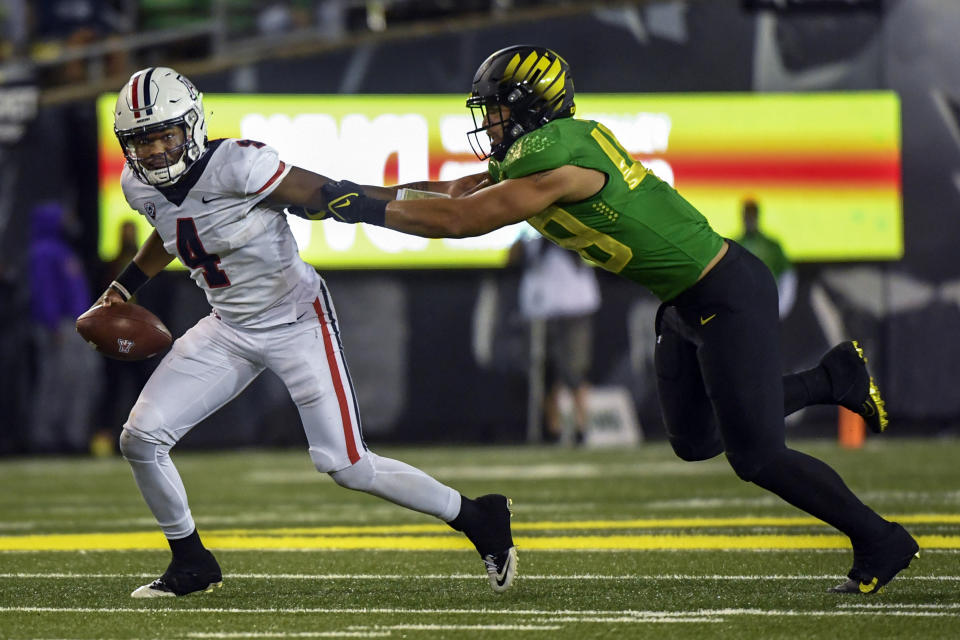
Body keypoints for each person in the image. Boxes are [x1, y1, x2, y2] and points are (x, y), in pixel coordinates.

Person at [317, 45, 917, 595]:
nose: (488, 122)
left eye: (497, 109)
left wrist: (358, 210)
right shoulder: (539, 151)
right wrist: (350, 193)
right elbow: (448, 194)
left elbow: (461, 221)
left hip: (727, 291)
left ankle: (880, 540)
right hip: (686, 303)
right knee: (696, 439)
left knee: (758, 457)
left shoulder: (553, 154)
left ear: (531, 109)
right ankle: (829, 380)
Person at [92, 66, 516, 598]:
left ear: (192, 126)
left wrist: (438, 196)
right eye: (142, 140)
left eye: (164, 134)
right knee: (141, 437)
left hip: (296, 319)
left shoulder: (239, 165)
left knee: (347, 465)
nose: (154, 150)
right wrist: (124, 287)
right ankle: (191, 562)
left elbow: (338, 195)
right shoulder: (138, 185)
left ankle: (479, 518)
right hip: (228, 326)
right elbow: (170, 230)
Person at [509, 235, 600, 444]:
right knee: (544, 371)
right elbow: (511, 258)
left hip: (574, 308)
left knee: (574, 370)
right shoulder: (529, 234)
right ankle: (552, 428)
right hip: (539, 311)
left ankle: (581, 427)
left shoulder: (573, 227)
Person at [28, 201, 102, 453]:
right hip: (60, 327)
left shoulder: (63, 250)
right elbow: (43, 292)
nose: (69, 223)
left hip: (75, 325)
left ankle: (73, 436)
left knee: (79, 381)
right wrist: (53, 325)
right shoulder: (44, 251)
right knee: (56, 382)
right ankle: (45, 438)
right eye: (64, 219)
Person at [736, 198, 796, 318]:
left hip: (767, 307)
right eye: (746, 215)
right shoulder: (733, 245)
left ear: (758, 216)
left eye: (752, 215)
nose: (749, 219)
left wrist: (782, 307)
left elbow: (788, 276)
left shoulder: (772, 246)